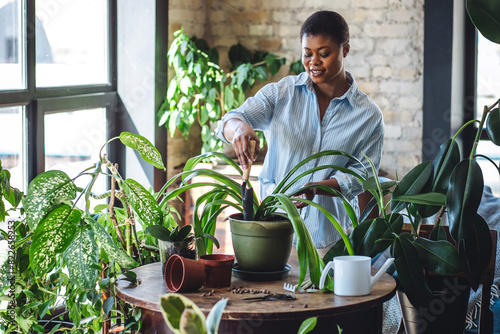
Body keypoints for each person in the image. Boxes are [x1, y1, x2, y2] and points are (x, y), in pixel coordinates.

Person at [215, 10, 384, 255]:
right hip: (275, 234)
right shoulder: (282, 94)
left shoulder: (368, 115)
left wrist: (317, 187)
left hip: (332, 242)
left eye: (324, 54)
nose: (313, 62)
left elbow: (364, 177)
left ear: (345, 50)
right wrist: (239, 128)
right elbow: (229, 120)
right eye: (307, 53)